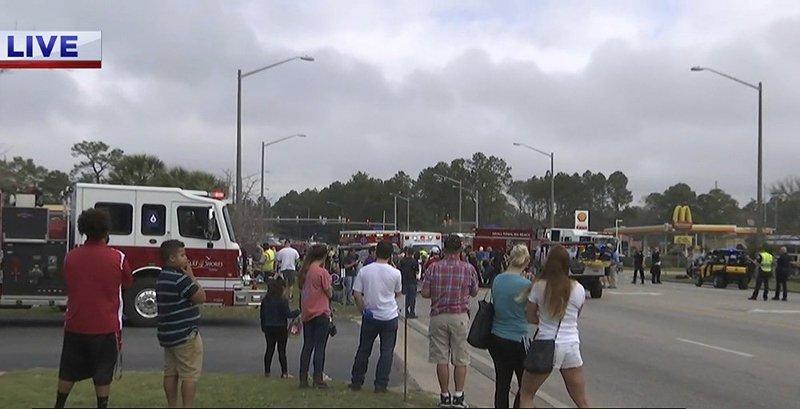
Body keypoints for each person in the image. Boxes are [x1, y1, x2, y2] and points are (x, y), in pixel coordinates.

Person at [55, 209, 133, 409]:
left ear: (83, 230)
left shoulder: (71, 257)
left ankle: (59, 404)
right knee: (103, 371)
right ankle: (101, 405)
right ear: (106, 231)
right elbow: (127, 282)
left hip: (75, 323)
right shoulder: (118, 258)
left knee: (68, 368)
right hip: (105, 326)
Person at [518, 245, 589, 409]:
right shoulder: (578, 288)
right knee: (582, 400)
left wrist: (542, 320)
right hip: (571, 345)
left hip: (546, 344)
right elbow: (576, 316)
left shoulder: (539, 286)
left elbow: (529, 316)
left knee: (527, 394)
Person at [421, 234, 480, 408]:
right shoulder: (468, 269)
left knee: (441, 357)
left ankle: (444, 395)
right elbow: (475, 292)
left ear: (444, 249)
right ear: (460, 249)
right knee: (460, 358)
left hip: (438, 315)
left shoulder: (434, 268)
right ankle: (459, 396)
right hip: (459, 315)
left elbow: (424, 293)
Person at [156, 240, 206, 408]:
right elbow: (200, 297)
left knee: (170, 372)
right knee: (189, 374)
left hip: (168, 334)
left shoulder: (162, 277)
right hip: (185, 334)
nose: (186, 259)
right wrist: (191, 276)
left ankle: (172, 405)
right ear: (171, 258)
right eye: (182, 255)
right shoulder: (180, 279)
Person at [349, 240, 403, 392]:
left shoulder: (365, 271)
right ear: (390, 255)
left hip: (371, 315)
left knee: (364, 349)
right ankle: (381, 384)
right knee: (386, 351)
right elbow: (398, 293)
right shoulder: (395, 273)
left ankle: (357, 381)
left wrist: (363, 310)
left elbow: (357, 294)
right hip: (389, 315)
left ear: (375, 252)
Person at [488, 244, 534, 408]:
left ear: (510, 258)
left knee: (502, 384)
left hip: (497, 335)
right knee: (526, 386)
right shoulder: (525, 284)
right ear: (526, 261)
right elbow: (531, 314)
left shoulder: (498, 280)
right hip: (517, 337)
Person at [297, 244, 333, 389]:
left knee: (307, 346)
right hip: (321, 312)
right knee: (320, 347)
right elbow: (329, 292)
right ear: (324, 256)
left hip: (307, 312)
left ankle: (303, 378)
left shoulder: (305, 271)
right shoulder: (321, 272)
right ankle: (318, 377)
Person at [260, 279, 300, 378]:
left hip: (268, 327)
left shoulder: (266, 300)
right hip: (280, 327)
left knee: (269, 349)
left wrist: (263, 326)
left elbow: (262, 315)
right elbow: (287, 314)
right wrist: (298, 311)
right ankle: (284, 372)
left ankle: (267, 371)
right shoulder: (282, 300)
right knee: (281, 350)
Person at [398, 247, 420, 318]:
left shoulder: (402, 261)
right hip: (412, 281)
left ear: (407, 253)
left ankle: (406, 311)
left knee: (406, 297)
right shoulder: (414, 261)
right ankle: (412, 312)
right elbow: (417, 271)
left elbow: (399, 270)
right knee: (412, 297)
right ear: (412, 253)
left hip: (404, 281)